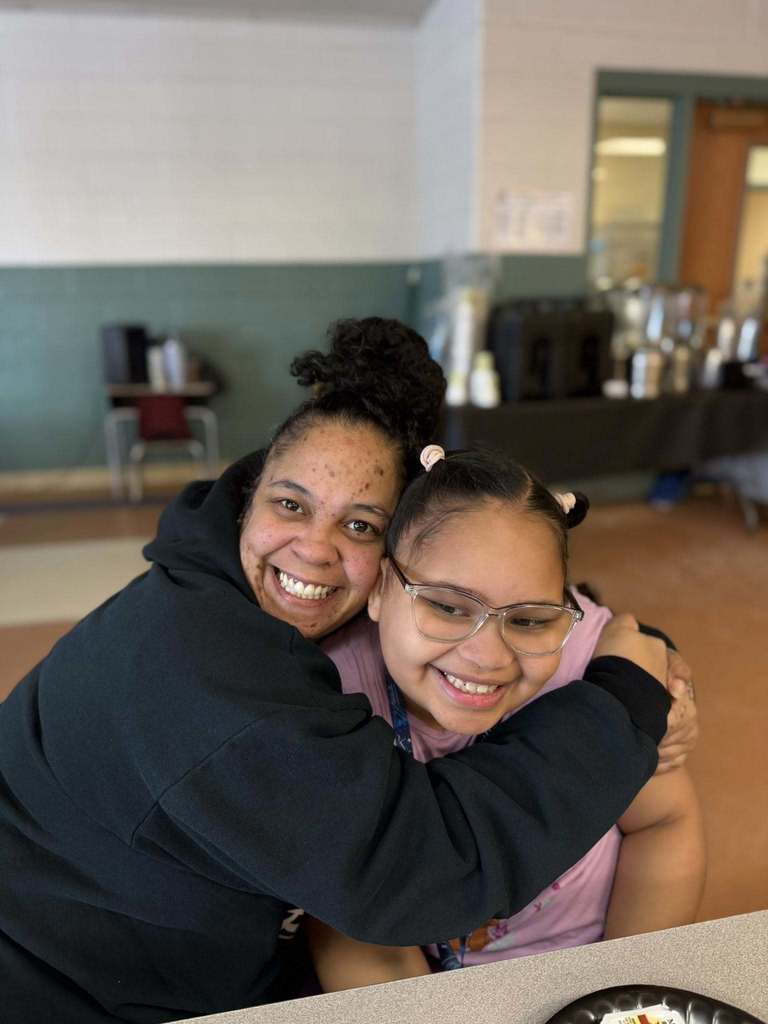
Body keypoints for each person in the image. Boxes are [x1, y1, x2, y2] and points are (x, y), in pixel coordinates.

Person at [0, 319, 692, 1023]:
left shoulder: (231, 591)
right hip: (66, 990)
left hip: (172, 948)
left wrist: (635, 648)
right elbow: (411, 869)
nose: (314, 549)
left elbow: (503, 582)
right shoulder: (220, 683)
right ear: (249, 496)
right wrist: (622, 702)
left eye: (360, 525)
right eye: (291, 504)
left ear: (392, 558)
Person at [310, 447, 706, 991]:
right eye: (447, 606)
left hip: (600, 963)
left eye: (529, 619)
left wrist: (621, 987)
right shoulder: (333, 695)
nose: (488, 656)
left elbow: (664, 822)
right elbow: (350, 921)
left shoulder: (597, 666)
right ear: (380, 588)